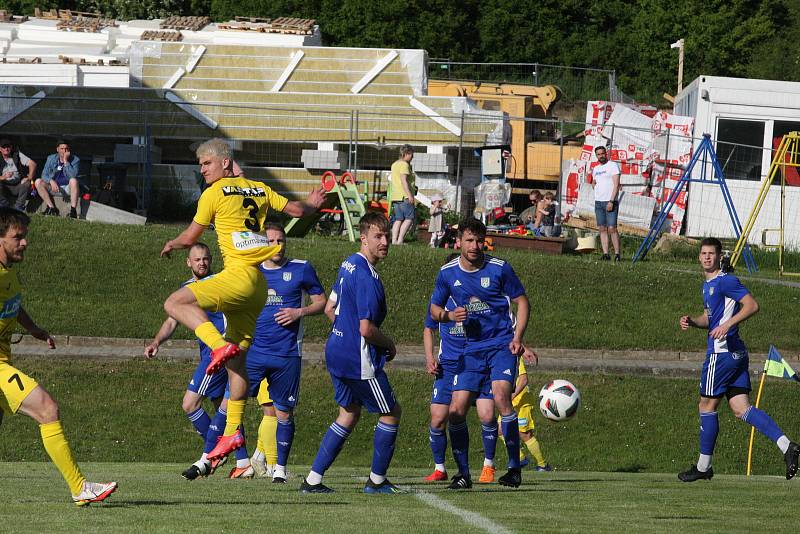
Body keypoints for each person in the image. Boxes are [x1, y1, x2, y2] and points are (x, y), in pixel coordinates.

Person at [159, 138, 325, 464]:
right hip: (258, 285)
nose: (202, 169)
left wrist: (173, 243)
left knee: (175, 303)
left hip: (238, 277)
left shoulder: (214, 193)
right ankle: (233, 430)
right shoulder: (259, 188)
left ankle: (216, 346)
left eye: (206, 163)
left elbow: (192, 237)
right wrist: (312, 203)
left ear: (224, 163)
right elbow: (295, 210)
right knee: (238, 363)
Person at [0, 207, 116, 505]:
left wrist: (35, 329)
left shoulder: (9, 271)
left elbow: (13, 304)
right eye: (18, 237)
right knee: (47, 408)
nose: (24, 243)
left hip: (4, 360)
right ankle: (80, 488)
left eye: (25, 236)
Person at [678, 237, 799, 482]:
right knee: (741, 408)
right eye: (703, 253)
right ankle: (788, 446)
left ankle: (703, 467)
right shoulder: (709, 284)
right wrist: (693, 320)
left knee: (706, 405)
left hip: (721, 355)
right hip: (735, 354)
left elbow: (752, 305)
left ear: (720, 256)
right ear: (699, 257)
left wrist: (728, 324)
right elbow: (710, 318)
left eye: (711, 253)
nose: (706, 257)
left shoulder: (725, 281)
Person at [301, 212, 402, 494]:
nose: (384, 242)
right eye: (378, 236)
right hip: (357, 358)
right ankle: (377, 481)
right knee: (391, 412)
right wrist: (389, 344)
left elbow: (329, 308)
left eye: (387, 236)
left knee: (348, 413)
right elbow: (367, 329)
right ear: (363, 237)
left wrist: (343, 331)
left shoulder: (348, 263)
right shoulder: (367, 276)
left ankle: (312, 480)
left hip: (335, 350)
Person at [430, 217, 532, 489]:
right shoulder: (448, 273)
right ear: (459, 241)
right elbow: (434, 311)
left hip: (500, 345)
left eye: (479, 240)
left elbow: (522, 302)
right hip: (471, 350)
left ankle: (513, 468)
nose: (474, 246)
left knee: (501, 398)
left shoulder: (500, 269)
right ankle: (463, 474)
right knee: (456, 410)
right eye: (469, 240)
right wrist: (449, 314)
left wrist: (518, 338)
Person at [144, 242, 253, 480]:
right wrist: (156, 342)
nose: (202, 263)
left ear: (211, 260)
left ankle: (215, 453)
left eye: (205, 259)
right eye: (197, 259)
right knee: (223, 406)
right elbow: (171, 321)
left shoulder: (219, 284)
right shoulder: (186, 291)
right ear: (188, 263)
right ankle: (243, 462)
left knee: (190, 404)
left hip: (219, 354)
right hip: (212, 354)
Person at [246, 223, 327, 483]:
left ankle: (279, 469)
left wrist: (298, 312)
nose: (277, 246)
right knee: (232, 400)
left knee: (283, 412)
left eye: (281, 240)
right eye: (270, 241)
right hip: (255, 352)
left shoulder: (301, 268)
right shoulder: (251, 270)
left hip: (287, 353)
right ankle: (238, 459)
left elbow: (321, 301)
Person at [422, 253, 464, 482]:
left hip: (473, 364)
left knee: (487, 415)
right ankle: (440, 468)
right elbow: (429, 329)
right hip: (447, 365)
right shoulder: (438, 302)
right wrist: (430, 358)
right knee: (438, 417)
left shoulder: (476, 295)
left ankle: (487, 465)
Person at [499, 347, 552, 472]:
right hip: (510, 403)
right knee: (500, 430)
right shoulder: (499, 358)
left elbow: (523, 380)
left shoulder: (514, 358)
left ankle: (543, 465)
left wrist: (512, 395)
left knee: (525, 435)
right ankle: (521, 458)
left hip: (522, 402)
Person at [36, 139, 81, 218]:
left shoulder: (75, 159)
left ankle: (73, 211)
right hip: (54, 188)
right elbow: (44, 174)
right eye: (62, 149)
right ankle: (52, 209)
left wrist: (66, 161)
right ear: (57, 149)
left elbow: (73, 175)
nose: (64, 151)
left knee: (73, 180)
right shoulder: (51, 158)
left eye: (66, 149)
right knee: (38, 181)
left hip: (67, 189)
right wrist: (51, 180)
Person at [591, 146, 621, 261]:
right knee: (602, 228)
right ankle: (606, 254)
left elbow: (616, 185)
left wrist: (611, 201)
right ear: (596, 156)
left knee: (612, 228)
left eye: (602, 153)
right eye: (598, 154)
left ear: (606, 153)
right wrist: (594, 184)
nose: (601, 156)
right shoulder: (596, 169)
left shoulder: (612, 166)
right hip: (598, 202)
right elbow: (594, 180)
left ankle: (617, 254)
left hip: (610, 202)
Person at [389, 144, 416, 245]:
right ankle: (400, 240)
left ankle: (394, 241)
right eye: (411, 154)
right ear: (406, 153)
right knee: (409, 218)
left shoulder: (394, 164)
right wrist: (409, 195)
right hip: (404, 196)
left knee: (398, 219)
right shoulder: (404, 165)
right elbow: (403, 181)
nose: (412, 157)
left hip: (395, 196)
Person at [0, 138, 35, 212]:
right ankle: (4, 205)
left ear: (11, 147)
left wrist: (29, 177)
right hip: (4, 187)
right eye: (4, 147)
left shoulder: (17, 155)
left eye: (8, 146)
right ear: (0, 149)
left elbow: (33, 164)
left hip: (17, 185)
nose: (6, 149)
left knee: (26, 183)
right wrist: (3, 177)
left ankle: (19, 207)